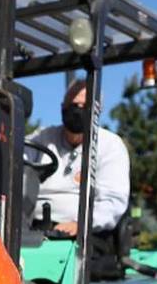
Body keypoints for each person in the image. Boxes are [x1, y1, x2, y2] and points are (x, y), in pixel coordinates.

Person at [28, 80, 130, 237]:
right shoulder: (42, 138)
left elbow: (112, 202)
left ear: (97, 111)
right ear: (63, 107)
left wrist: (80, 224)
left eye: (84, 106)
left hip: (85, 233)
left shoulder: (110, 145)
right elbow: (16, 161)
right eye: (73, 105)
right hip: (32, 227)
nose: (77, 111)